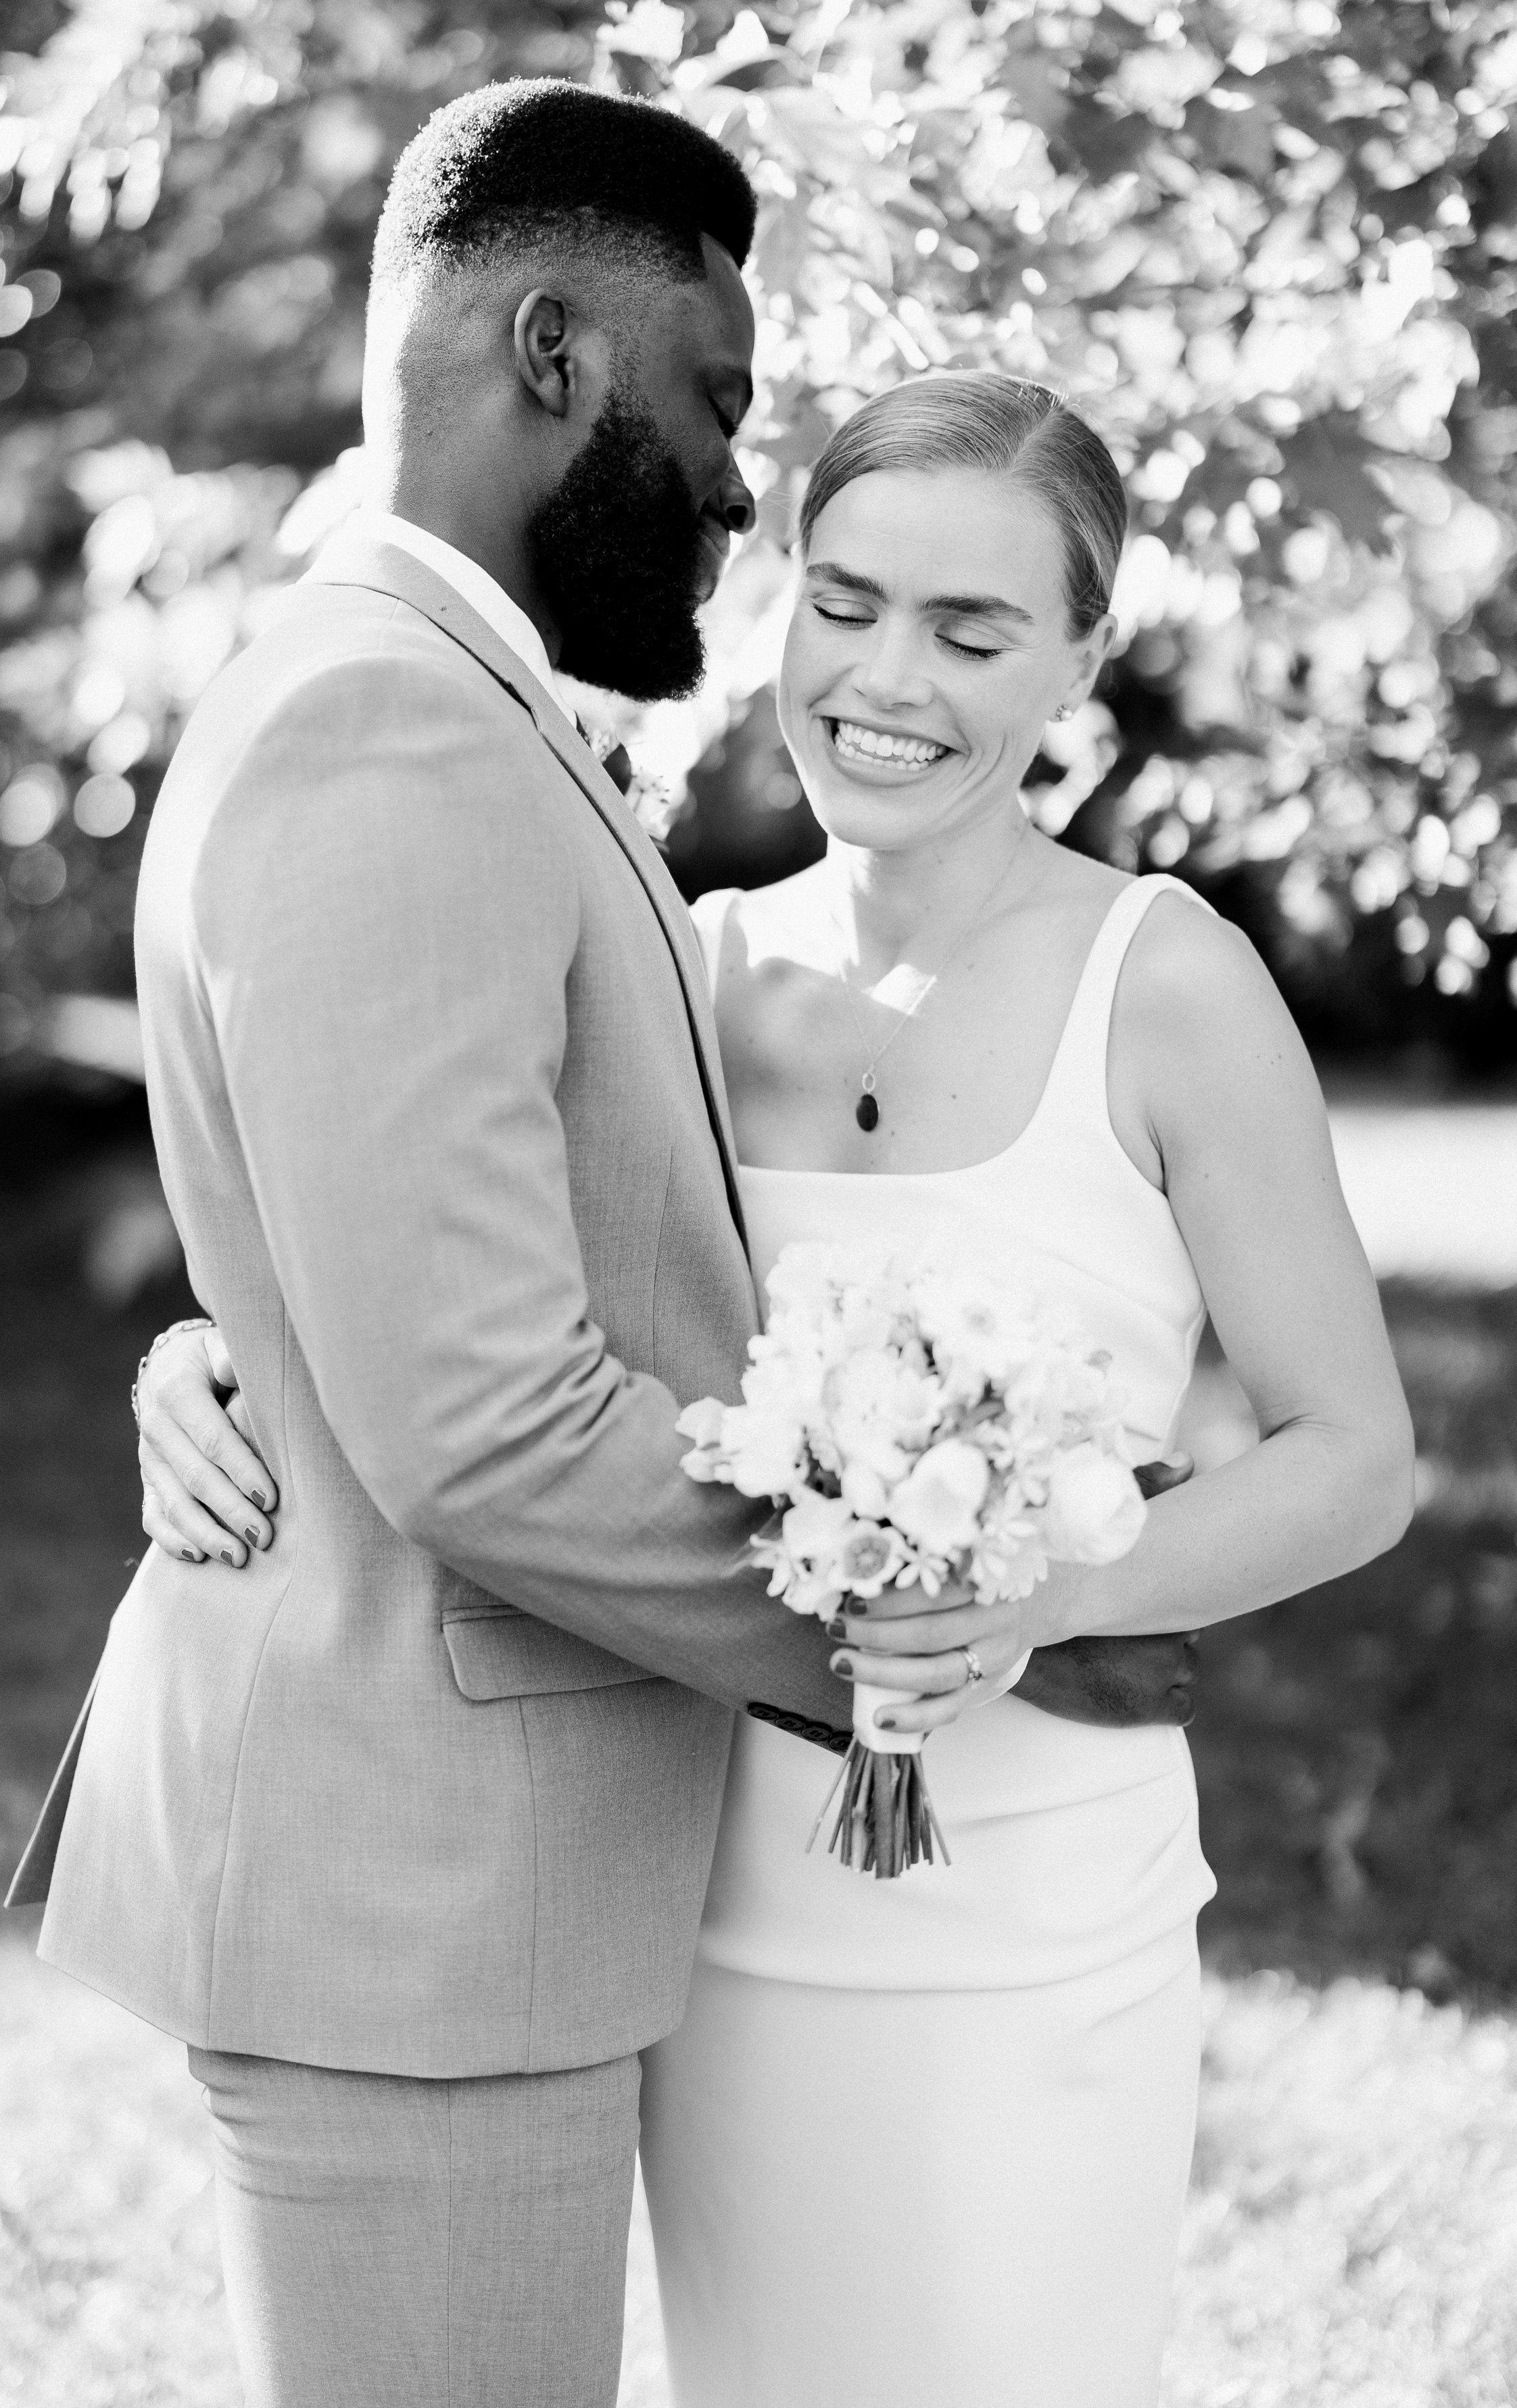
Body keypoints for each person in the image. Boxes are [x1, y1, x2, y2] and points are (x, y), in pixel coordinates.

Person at [9, 87, 1195, 2408]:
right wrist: (919, 1632)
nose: (747, 486)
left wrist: (236, 1339)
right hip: (414, 1907)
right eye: (716, 398)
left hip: (476, 1890)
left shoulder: (410, 700)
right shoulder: (391, 731)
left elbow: (429, 1242)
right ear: (552, 350)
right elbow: (474, 1419)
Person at [139, 370, 1416, 2405]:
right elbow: (432, 1279)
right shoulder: (691, 969)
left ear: (1083, 659)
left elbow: (1355, 1462)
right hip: (705, 1889)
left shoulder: (1164, 984)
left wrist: (1036, 1601)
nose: (884, 678)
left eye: (971, 629)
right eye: (843, 602)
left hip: (1033, 1920)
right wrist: (212, 1362)